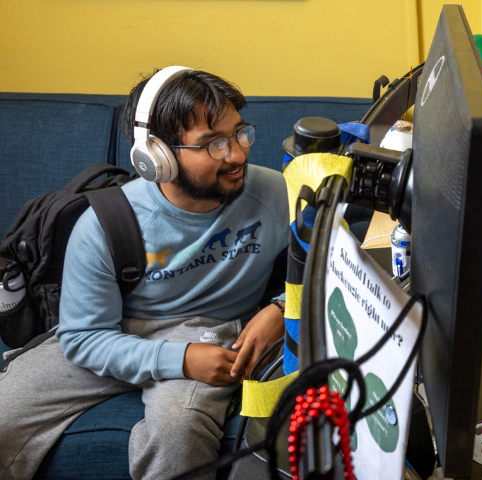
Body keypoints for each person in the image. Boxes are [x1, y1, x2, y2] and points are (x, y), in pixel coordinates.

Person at [0, 68, 289, 479]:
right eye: (213, 145)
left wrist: (279, 309)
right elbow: (83, 338)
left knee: (178, 431)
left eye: (240, 134)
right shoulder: (104, 223)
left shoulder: (275, 193)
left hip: (211, 329)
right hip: (113, 332)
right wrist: (179, 360)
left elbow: (341, 257)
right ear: (157, 158)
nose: (238, 155)